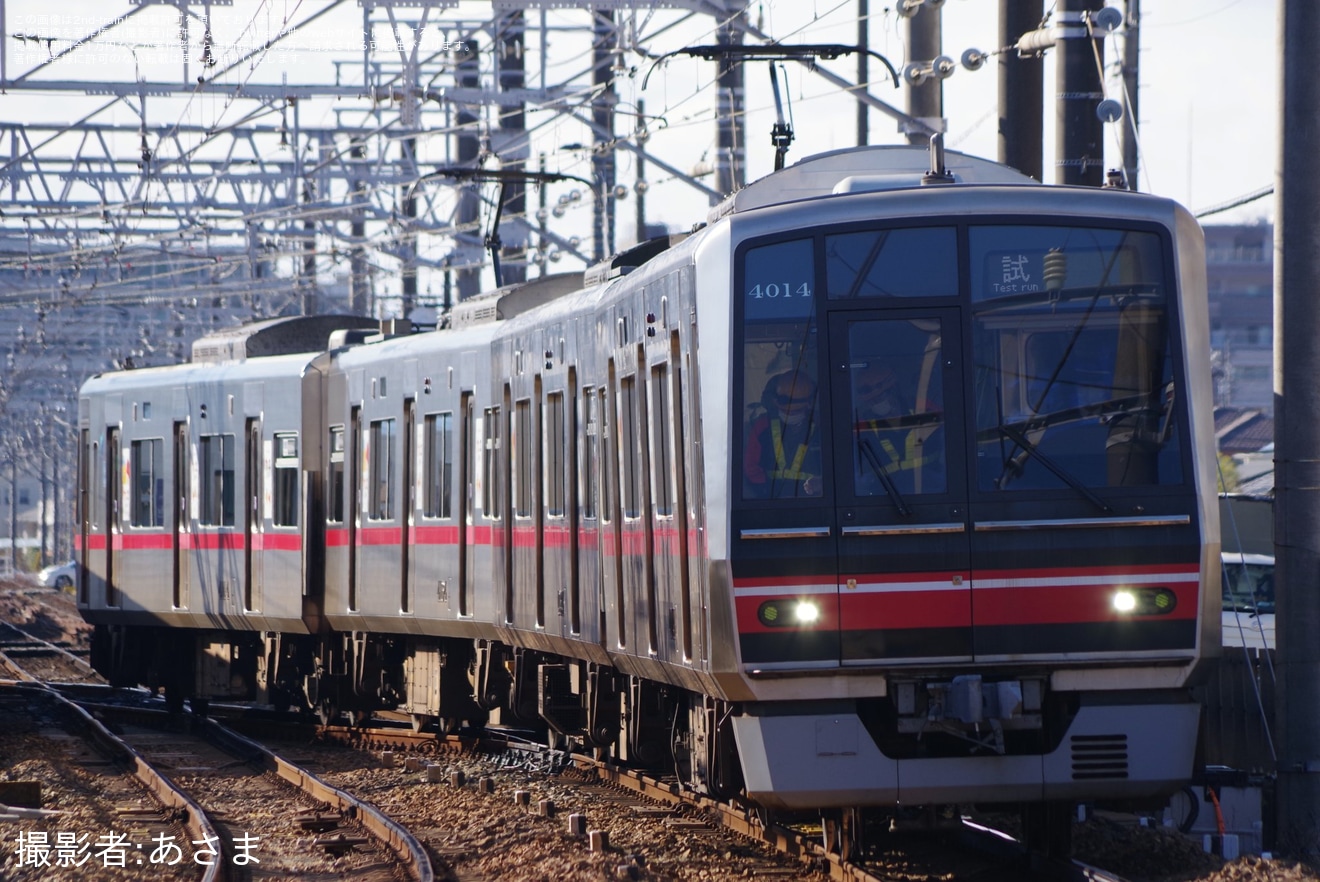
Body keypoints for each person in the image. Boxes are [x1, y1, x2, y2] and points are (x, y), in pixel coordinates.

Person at [852, 361, 945, 495]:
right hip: (886, 497)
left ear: (893, 390)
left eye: (879, 398)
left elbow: (951, 442)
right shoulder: (863, 425)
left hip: (934, 492)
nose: (875, 404)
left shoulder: (925, 410)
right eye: (871, 401)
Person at [744, 371, 822, 498]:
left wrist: (823, 483)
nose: (791, 413)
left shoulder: (821, 426)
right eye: (786, 410)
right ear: (775, 402)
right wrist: (767, 493)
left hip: (817, 499)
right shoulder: (762, 426)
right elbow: (751, 468)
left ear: (809, 404)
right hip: (773, 500)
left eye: (797, 410)